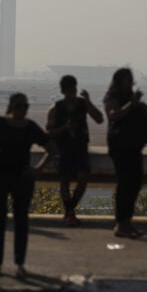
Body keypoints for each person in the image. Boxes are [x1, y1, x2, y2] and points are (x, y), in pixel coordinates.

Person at [0, 93, 53, 277]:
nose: (21, 110)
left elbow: (51, 148)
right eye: (18, 106)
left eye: (24, 106)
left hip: (21, 177)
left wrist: (37, 170)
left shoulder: (30, 127)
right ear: (11, 107)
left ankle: (19, 263)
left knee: (21, 221)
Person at [104, 68, 147, 238]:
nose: (130, 82)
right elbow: (114, 116)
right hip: (121, 146)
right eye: (127, 79)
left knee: (135, 183)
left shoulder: (131, 98)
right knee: (125, 184)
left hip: (134, 146)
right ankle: (121, 223)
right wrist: (132, 103)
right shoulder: (113, 96)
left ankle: (127, 222)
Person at [46, 75, 103, 226]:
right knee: (64, 181)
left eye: (74, 89)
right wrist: (65, 128)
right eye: (69, 90)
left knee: (83, 178)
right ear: (63, 91)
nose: (72, 93)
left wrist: (88, 101)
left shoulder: (83, 104)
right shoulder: (55, 108)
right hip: (63, 149)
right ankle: (70, 212)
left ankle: (69, 210)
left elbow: (99, 119)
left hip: (80, 148)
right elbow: (49, 132)